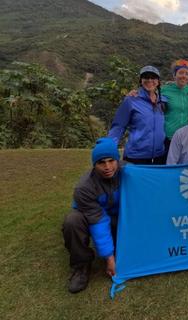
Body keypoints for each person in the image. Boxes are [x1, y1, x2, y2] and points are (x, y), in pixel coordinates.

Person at [62, 138, 121, 293]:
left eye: (111, 161)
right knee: (72, 221)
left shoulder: (130, 173)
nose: (107, 167)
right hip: (92, 217)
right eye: (101, 162)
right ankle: (81, 266)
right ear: (94, 164)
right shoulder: (83, 188)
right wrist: (109, 258)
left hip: (117, 217)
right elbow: (99, 221)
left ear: (118, 160)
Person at [108, 65, 167, 164]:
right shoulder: (131, 100)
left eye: (153, 77)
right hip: (136, 156)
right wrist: (108, 148)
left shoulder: (163, 101)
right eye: (146, 77)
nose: (149, 80)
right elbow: (118, 126)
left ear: (158, 81)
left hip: (159, 156)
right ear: (141, 80)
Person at [161, 59, 188, 147]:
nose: (184, 76)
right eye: (181, 73)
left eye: (186, 73)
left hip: (186, 137)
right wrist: (135, 93)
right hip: (168, 136)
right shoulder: (164, 89)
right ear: (174, 75)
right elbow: (149, 94)